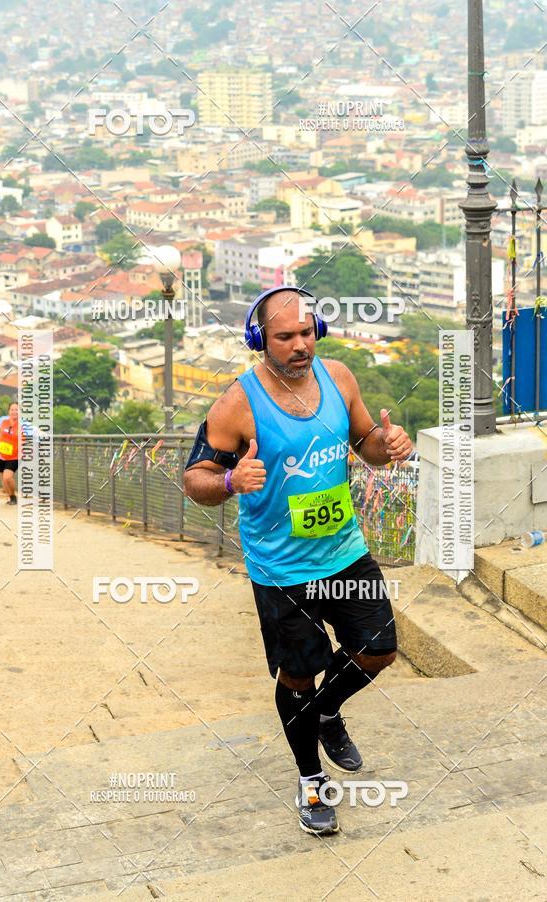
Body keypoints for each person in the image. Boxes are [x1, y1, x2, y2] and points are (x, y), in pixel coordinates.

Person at [183, 287, 413, 836]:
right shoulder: (237, 403)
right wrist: (233, 479)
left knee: (378, 651)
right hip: (281, 569)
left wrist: (390, 442)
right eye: (285, 336)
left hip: (344, 552)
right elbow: (195, 479)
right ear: (260, 340)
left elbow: (366, 445)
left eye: (307, 333)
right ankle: (311, 783)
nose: (300, 345)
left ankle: (329, 712)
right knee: (299, 675)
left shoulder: (339, 378)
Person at [0, 401, 21, 505]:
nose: (14, 412)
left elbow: (35, 432)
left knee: (7, 477)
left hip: (15, 456)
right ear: (8, 411)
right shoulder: (3, 420)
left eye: (17, 409)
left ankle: (13, 496)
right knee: (3, 479)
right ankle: (10, 498)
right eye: (12, 409)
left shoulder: (24, 424)